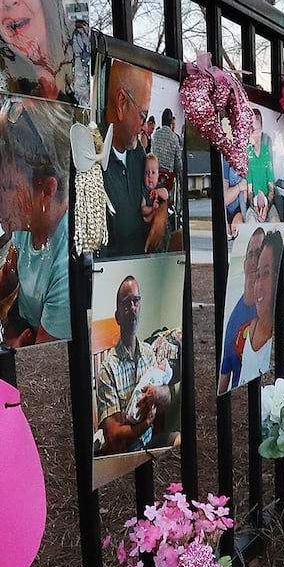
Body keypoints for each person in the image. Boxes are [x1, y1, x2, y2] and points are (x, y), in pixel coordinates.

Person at [0, 97, 72, 347]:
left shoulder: (68, 267)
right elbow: (7, 277)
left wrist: (8, 344)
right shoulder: (28, 222)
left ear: (46, 190)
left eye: (8, 184)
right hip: (19, 326)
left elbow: (43, 355)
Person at [95, 276, 176, 456]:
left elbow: (167, 398)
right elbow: (114, 437)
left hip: (149, 444)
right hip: (126, 455)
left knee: (179, 441)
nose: (132, 308)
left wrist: (157, 392)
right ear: (117, 316)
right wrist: (145, 425)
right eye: (126, 304)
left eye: (136, 301)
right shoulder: (107, 370)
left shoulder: (149, 354)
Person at [218, 228, 281, 392]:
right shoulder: (233, 320)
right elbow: (224, 376)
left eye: (259, 253)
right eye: (251, 254)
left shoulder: (267, 308)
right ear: (245, 263)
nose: (255, 261)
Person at [100, 62, 151, 257]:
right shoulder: (93, 162)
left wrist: (161, 214)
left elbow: (151, 201)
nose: (144, 126)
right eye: (143, 115)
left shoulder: (138, 154)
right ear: (122, 102)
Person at [140, 152, 172, 252]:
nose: (150, 176)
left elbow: (166, 194)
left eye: (153, 172)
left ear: (158, 175)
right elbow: (143, 209)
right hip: (148, 227)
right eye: (146, 172)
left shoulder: (159, 188)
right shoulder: (143, 191)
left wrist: (158, 192)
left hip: (162, 227)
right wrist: (151, 209)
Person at [151, 109, 181, 177]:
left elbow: (152, 153)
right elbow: (178, 163)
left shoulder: (156, 134)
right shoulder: (174, 137)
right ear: (170, 122)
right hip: (168, 176)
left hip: (156, 174)